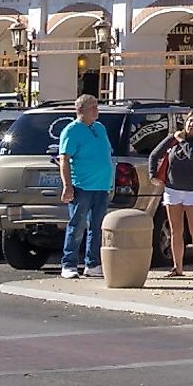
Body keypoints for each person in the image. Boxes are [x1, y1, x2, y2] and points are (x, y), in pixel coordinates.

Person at [55, 94, 114, 280]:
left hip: (101, 186)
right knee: (77, 225)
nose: (96, 110)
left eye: (97, 106)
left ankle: (93, 263)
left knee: (97, 226)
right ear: (80, 110)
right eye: (92, 107)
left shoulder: (99, 127)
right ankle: (69, 264)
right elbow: (64, 159)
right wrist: (67, 186)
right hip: (82, 186)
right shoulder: (71, 130)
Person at [151, 110, 193, 280]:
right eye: (189, 121)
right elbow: (154, 154)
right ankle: (177, 267)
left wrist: (182, 139)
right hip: (172, 189)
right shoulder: (175, 138)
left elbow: (192, 154)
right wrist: (153, 175)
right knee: (176, 230)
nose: (191, 124)